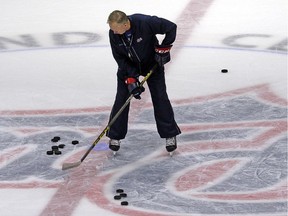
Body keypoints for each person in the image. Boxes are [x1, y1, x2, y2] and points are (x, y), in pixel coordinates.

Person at [106, 10, 181, 154]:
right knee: (121, 99)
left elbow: (171, 27)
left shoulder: (145, 22)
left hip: (152, 64)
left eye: (116, 29)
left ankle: (170, 134)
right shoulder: (113, 34)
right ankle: (115, 136)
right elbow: (120, 58)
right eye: (112, 29)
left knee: (160, 97)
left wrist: (163, 49)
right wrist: (131, 78)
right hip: (127, 68)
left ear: (126, 23)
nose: (113, 32)